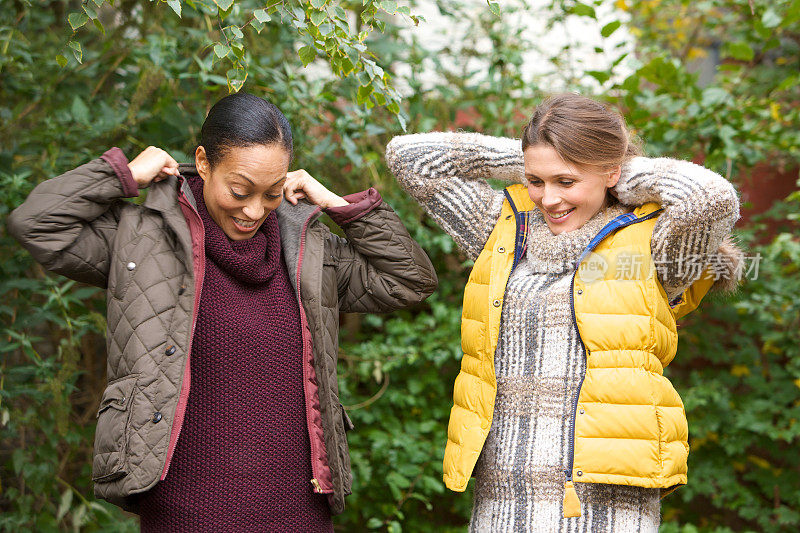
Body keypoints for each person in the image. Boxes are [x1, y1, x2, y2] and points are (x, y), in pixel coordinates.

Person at [8, 92, 437, 532]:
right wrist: (123, 175)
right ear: (204, 162)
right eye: (239, 191)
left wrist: (337, 205)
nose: (253, 210)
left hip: (299, 511)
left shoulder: (309, 248)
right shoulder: (143, 238)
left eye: (271, 193)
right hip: (185, 510)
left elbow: (410, 281)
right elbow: (37, 223)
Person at [386, 93, 742, 532]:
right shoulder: (502, 229)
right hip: (504, 489)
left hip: (606, 493)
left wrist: (623, 172)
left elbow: (711, 198)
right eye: (535, 180)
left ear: (610, 172)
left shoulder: (652, 248)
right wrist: (528, 156)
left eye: (566, 181)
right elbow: (412, 158)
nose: (548, 198)